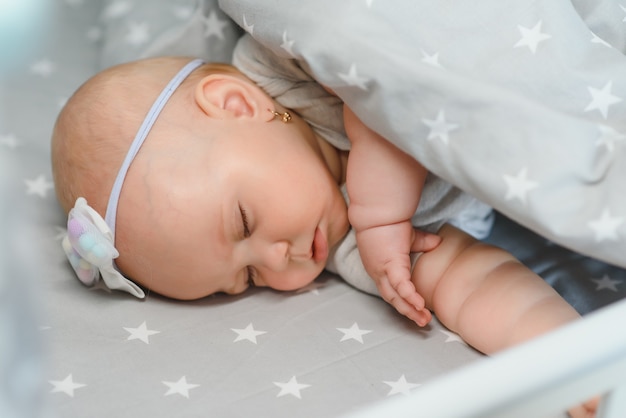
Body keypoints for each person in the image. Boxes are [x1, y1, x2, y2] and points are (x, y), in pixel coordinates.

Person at [51, 35, 595, 416]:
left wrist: (380, 208)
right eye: (247, 280)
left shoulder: (286, 66)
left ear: (237, 104)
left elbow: (384, 68)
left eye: (243, 223)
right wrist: (563, 358)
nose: (278, 258)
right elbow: (467, 280)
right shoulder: (345, 248)